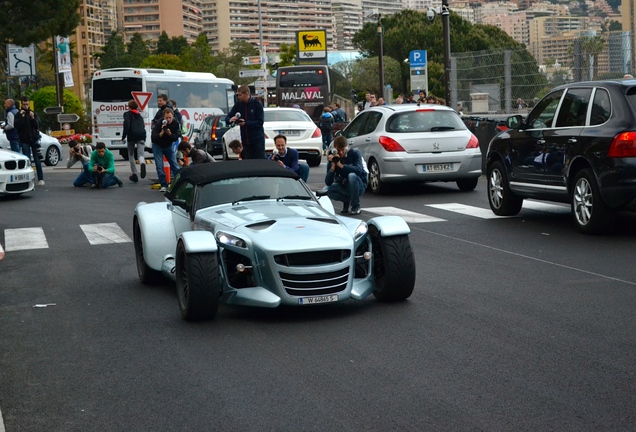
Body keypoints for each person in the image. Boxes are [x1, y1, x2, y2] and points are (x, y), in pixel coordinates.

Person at [325, 136, 367, 215]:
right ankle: (346, 201)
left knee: (351, 176)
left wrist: (341, 165)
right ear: (334, 148)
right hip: (344, 185)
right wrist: (333, 166)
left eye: (343, 150)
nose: (341, 153)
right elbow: (328, 182)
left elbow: (358, 170)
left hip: (359, 184)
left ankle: (356, 206)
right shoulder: (333, 158)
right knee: (325, 190)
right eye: (338, 150)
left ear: (346, 147)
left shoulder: (354, 152)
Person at [226, 85, 265, 159]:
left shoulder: (257, 104)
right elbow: (228, 117)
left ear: (246, 94)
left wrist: (246, 123)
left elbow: (260, 122)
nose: (238, 97)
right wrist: (230, 120)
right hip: (245, 141)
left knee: (260, 161)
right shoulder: (238, 105)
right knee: (248, 162)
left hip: (257, 140)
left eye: (240, 95)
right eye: (237, 95)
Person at [15, 98, 45, 186]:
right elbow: (17, 126)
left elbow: (38, 125)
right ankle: (29, 179)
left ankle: (41, 179)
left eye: (27, 104)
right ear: (21, 104)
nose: (26, 106)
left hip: (34, 139)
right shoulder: (19, 114)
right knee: (27, 160)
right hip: (24, 140)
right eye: (24, 104)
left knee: (37, 160)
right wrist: (22, 117)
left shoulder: (33, 113)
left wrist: (32, 118)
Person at [151, 108, 182, 192]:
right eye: (166, 118)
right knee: (159, 166)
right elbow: (153, 138)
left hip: (168, 145)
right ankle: (163, 184)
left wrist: (169, 134)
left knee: (174, 164)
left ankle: (180, 183)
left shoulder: (175, 123)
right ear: (163, 117)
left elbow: (176, 137)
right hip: (157, 145)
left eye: (170, 118)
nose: (168, 120)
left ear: (172, 117)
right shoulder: (159, 123)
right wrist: (161, 132)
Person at [121, 99, 146, 183]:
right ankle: (142, 163)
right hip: (141, 135)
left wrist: (124, 136)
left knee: (131, 154)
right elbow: (143, 126)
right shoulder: (140, 116)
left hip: (132, 136)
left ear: (129, 107)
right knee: (140, 154)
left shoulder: (127, 114)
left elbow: (127, 124)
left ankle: (134, 174)